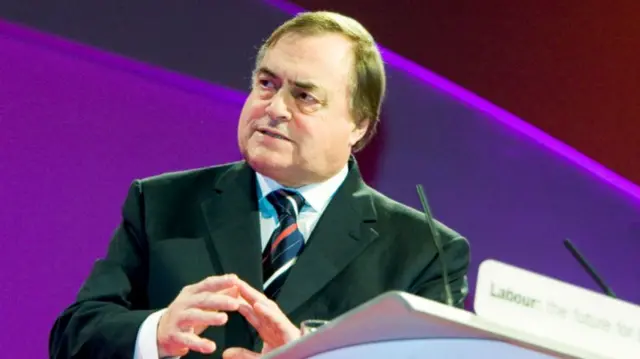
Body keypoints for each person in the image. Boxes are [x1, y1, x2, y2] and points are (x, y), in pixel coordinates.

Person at [49, 10, 470, 359]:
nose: (275, 108)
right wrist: (156, 331)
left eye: (305, 96)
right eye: (267, 84)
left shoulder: (424, 252)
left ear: (358, 126)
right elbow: (73, 336)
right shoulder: (161, 203)